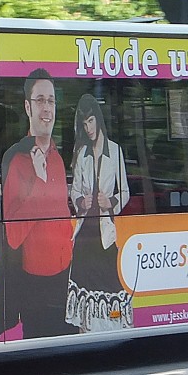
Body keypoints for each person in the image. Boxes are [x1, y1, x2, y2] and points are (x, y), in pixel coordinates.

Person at [0, 68, 77, 339]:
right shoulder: (17, 161)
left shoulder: (58, 159)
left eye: (51, 100)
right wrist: (38, 184)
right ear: (28, 107)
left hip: (66, 277)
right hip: (37, 286)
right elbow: (12, 236)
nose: (47, 108)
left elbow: (62, 213)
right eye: (40, 100)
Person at [67, 93, 133, 332]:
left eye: (91, 121)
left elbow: (125, 191)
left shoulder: (115, 151)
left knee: (109, 286)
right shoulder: (81, 153)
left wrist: (111, 201)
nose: (88, 127)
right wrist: (80, 202)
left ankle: (111, 329)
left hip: (105, 234)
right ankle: (86, 332)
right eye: (84, 123)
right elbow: (74, 192)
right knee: (83, 289)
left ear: (99, 120)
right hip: (84, 234)